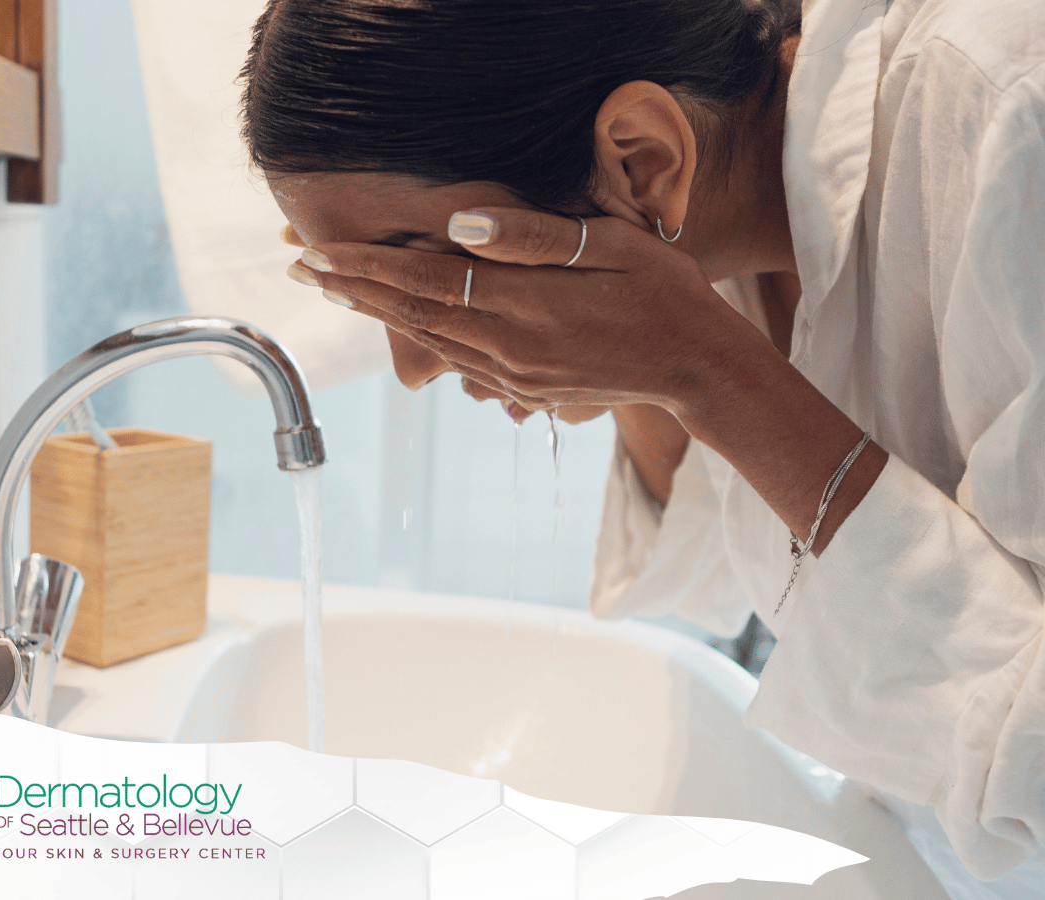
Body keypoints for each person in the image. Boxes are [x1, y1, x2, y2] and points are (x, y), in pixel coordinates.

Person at [240, 0, 1045, 895]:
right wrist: (652, 353)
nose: (412, 364)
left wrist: (707, 369)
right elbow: (713, 577)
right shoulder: (721, 219)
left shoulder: (1008, 109)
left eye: (431, 278)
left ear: (643, 158)